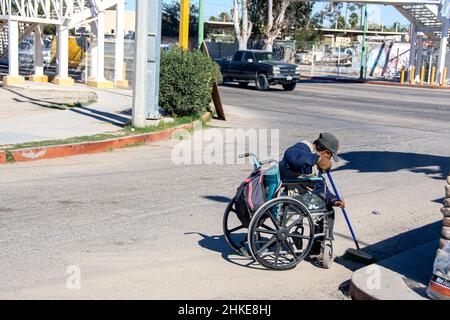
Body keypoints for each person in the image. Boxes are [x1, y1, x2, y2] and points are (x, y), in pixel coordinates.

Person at [279, 133, 345, 261]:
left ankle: (314, 246)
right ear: (325, 152)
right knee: (326, 211)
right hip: (291, 196)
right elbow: (290, 154)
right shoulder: (303, 148)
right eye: (330, 156)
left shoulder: (315, 164)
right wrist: (317, 159)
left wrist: (333, 199)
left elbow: (320, 186)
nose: (329, 160)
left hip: (298, 196)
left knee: (327, 204)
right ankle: (318, 247)